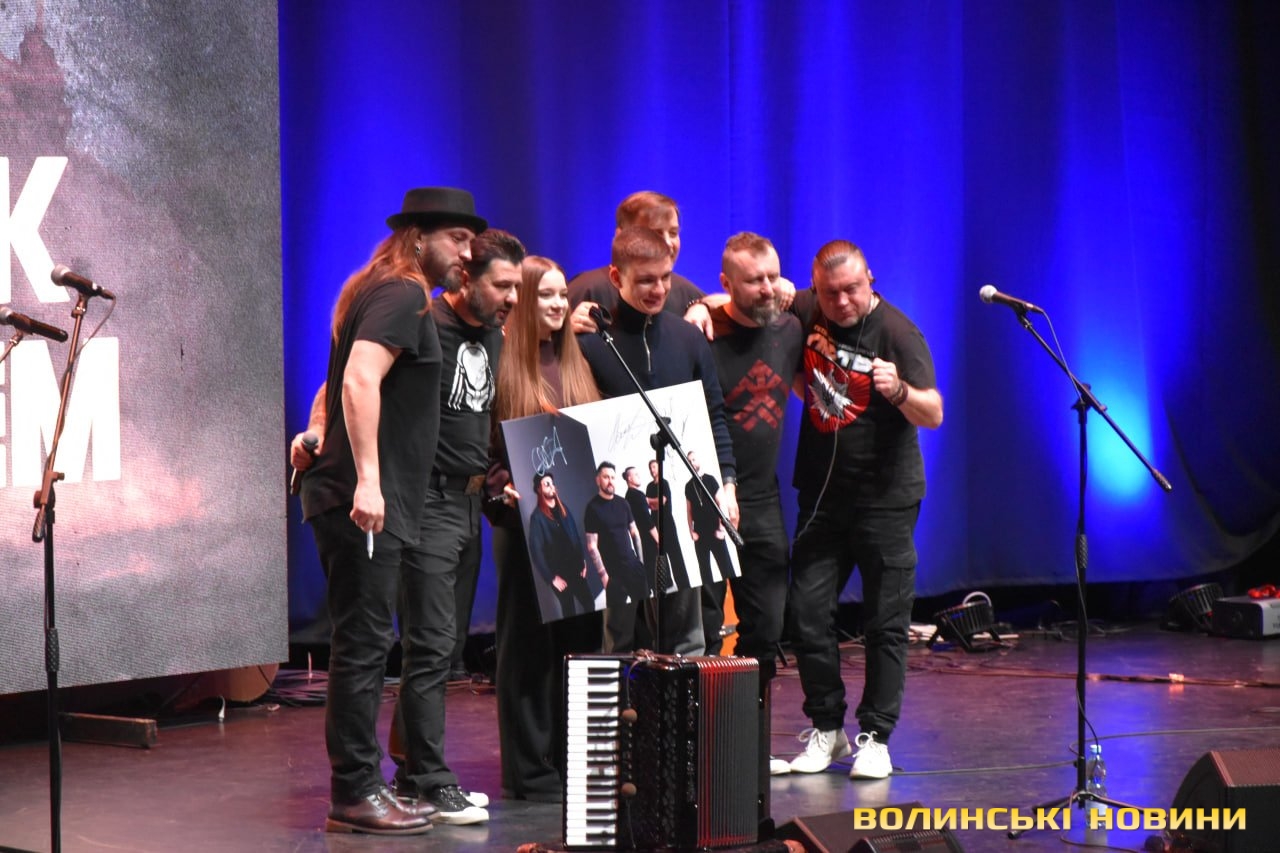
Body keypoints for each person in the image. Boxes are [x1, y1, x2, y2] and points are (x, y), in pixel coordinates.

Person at [292, 186, 485, 835]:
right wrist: (369, 481)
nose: (467, 252)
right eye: (458, 238)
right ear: (419, 237)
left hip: (359, 492)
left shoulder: (381, 289)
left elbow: (339, 378)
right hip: (364, 499)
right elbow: (357, 379)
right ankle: (354, 792)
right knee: (364, 644)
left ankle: (365, 785)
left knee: (367, 641)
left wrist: (318, 428)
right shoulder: (403, 292)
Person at [784, 240, 943, 780]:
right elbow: (752, 293)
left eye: (852, 289)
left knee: (885, 622)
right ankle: (827, 730)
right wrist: (700, 309)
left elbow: (933, 412)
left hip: (886, 500)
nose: (842, 302)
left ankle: (875, 737)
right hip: (822, 497)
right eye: (830, 294)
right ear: (816, 289)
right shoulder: (807, 306)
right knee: (807, 614)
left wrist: (897, 391)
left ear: (870, 279)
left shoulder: (898, 332)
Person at [383, 227, 524, 821]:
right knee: (431, 643)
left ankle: (412, 771)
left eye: (517, 287)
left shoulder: (493, 332)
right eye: (502, 285)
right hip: (426, 503)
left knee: (443, 647)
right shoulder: (424, 321)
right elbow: (349, 379)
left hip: (468, 504)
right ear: (466, 276)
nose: (512, 297)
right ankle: (431, 781)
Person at [577, 226, 739, 656]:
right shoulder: (591, 345)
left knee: (685, 634)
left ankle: (682, 702)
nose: (659, 289)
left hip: (677, 513)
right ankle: (623, 701)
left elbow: (714, 416)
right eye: (646, 280)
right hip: (618, 516)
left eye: (666, 277)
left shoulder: (688, 339)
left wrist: (726, 483)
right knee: (619, 638)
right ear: (617, 277)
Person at [488, 254, 603, 802]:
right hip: (523, 528)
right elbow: (483, 451)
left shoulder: (578, 363)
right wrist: (499, 486)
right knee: (530, 650)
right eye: (545, 295)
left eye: (562, 294)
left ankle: (572, 762)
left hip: (576, 529)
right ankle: (531, 772)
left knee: (580, 645)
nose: (558, 304)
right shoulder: (503, 365)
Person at [699, 231, 805, 776]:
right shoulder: (703, 333)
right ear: (725, 283)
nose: (767, 289)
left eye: (772, 277)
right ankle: (698, 746)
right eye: (753, 280)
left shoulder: (790, 327)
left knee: (765, 628)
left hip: (763, 499)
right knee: (699, 628)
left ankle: (748, 744)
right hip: (705, 499)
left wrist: (788, 288)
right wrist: (704, 305)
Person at [566, 191, 704, 322]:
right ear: (621, 235)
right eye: (655, 233)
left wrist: (706, 306)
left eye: (673, 233)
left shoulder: (690, 296)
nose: (668, 243)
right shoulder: (587, 291)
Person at [684, 449, 734, 654]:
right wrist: (691, 532)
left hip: (715, 530)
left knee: (726, 568)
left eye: (694, 458)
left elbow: (721, 502)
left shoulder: (711, 479)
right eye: (689, 459)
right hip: (700, 534)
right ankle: (709, 636)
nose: (692, 462)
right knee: (705, 574)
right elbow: (688, 510)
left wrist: (722, 527)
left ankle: (722, 619)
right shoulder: (688, 486)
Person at [583, 461, 649, 615]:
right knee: (618, 620)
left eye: (613, 477)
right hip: (613, 575)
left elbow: (634, 532)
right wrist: (605, 578)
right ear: (598, 480)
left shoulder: (623, 503)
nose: (610, 481)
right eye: (606, 477)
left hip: (633, 568)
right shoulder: (592, 508)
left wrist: (641, 563)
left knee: (647, 612)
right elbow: (592, 547)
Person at [527, 471, 594, 618]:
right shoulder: (537, 518)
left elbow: (575, 535)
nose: (552, 486)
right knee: (569, 610)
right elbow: (536, 552)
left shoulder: (563, 508)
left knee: (589, 603)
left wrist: (582, 559)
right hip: (559, 575)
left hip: (575, 569)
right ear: (539, 489)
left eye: (552, 483)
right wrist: (552, 578)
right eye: (547, 484)